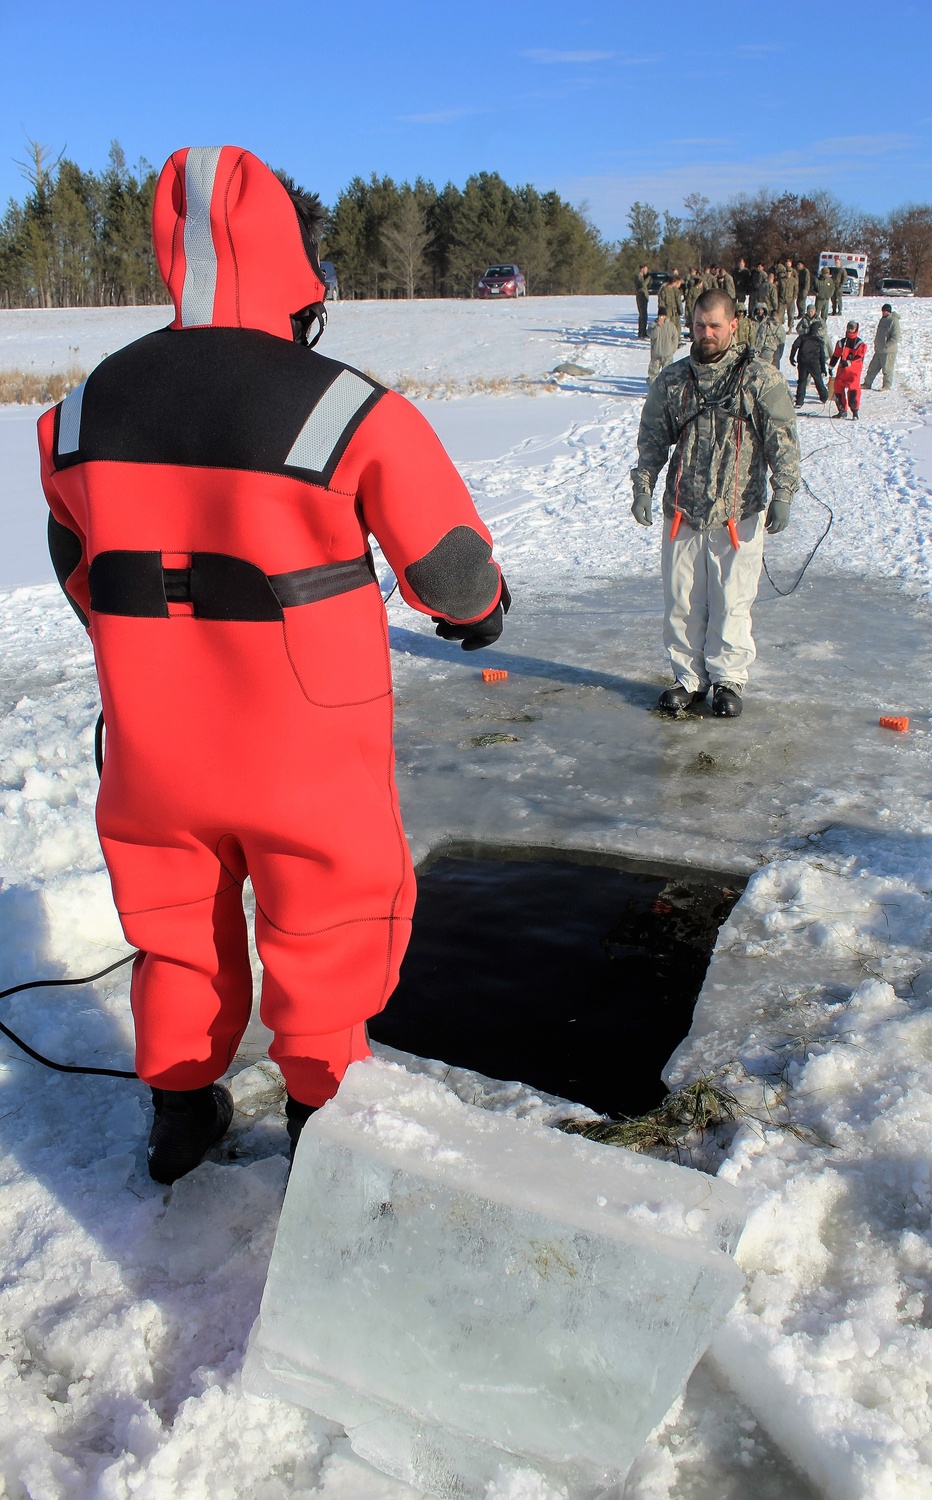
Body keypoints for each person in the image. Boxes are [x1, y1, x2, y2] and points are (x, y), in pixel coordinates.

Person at [36, 146, 511, 1183]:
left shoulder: (79, 412)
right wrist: (480, 615)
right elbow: (448, 566)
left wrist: (140, 644)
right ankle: (320, 1126)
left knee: (176, 932)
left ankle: (178, 1118)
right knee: (325, 930)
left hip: (156, 751)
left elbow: (75, 560)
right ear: (294, 268)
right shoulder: (345, 407)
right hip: (304, 749)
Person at [629, 289, 800, 719]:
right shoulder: (673, 380)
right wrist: (643, 486)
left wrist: (783, 492)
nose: (706, 333)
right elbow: (652, 438)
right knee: (682, 600)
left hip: (736, 512)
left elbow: (782, 438)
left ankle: (728, 679)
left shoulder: (760, 378)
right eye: (700, 325)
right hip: (683, 511)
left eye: (715, 326)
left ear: (733, 326)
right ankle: (688, 678)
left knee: (731, 599)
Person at [830, 320, 867, 418]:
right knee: (837, 389)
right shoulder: (842, 342)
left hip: (853, 372)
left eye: (852, 328)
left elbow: (859, 357)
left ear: (856, 329)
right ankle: (842, 411)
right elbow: (836, 355)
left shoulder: (860, 344)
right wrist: (831, 366)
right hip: (842, 371)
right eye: (849, 328)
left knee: (853, 392)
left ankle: (855, 412)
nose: (850, 330)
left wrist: (850, 362)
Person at [789, 318, 829, 406]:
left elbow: (795, 346)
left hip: (802, 362)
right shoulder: (819, 341)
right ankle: (824, 397)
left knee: (802, 381)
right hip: (814, 363)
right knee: (818, 380)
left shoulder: (802, 337)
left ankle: (799, 401)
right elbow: (822, 356)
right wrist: (823, 368)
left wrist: (792, 357)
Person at [863, 303, 901, 390]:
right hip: (879, 350)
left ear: (889, 311)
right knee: (872, 368)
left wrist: (886, 345)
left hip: (888, 351)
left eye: (885, 311)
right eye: (882, 311)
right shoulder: (882, 320)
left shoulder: (893, 321)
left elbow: (895, 337)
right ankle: (867, 384)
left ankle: (886, 386)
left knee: (887, 370)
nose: (883, 313)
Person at [648, 312, 680, 383]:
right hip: (656, 355)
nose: (661, 317)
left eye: (663, 315)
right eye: (660, 315)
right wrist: (657, 326)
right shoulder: (653, 325)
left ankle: (667, 391)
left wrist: (672, 350)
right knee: (653, 376)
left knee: (668, 375)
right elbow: (652, 335)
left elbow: (675, 338)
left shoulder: (671, 326)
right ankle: (654, 391)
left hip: (667, 355)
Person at [752, 301, 785, 368]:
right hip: (758, 349)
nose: (760, 312)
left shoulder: (767, 323)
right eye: (758, 310)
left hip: (767, 351)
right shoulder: (751, 322)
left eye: (761, 310)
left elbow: (761, 339)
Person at [635, 264, 651, 338]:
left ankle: (643, 331)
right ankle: (641, 332)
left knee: (644, 315)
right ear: (642, 269)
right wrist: (648, 279)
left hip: (644, 297)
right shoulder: (638, 277)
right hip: (641, 297)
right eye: (645, 269)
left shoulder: (643, 277)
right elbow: (643, 285)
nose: (646, 271)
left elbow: (648, 285)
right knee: (642, 314)